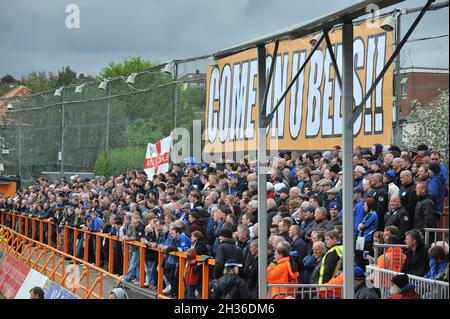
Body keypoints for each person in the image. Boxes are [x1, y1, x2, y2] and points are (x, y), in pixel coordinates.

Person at [356, 198, 379, 268]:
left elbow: (362, 226)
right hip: (361, 240)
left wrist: (360, 226)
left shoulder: (372, 215)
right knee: (358, 258)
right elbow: (358, 227)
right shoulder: (367, 214)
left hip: (367, 240)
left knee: (364, 259)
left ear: (370, 206)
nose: (364, 207)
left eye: (365, 205)